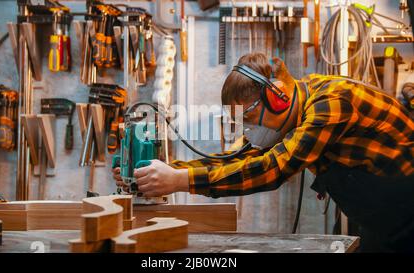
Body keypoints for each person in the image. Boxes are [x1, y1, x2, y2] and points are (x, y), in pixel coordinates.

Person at [113, 52, 414, 252]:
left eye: (249, 118)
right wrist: (163, 171)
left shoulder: (331, 104)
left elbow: (273, 169)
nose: (248, 130)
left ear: (277, 98)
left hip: (406, 216)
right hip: (376, 217)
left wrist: (180, 181)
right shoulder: (297, 105)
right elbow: (240, 158)